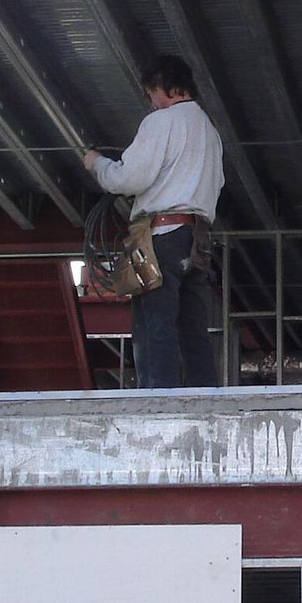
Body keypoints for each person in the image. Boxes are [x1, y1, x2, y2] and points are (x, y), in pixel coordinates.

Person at [82, 55, 225, 389]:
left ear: (164, 88)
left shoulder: (162, 123)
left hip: (162, 234)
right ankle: (203, 393)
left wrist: (97, 164)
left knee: (154, 320)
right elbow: (216, 184)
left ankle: (156, 398)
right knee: (192, 324)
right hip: (197, 238)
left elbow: (129, 178)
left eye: (150, 93)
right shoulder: (210, 131)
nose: (151, 101)